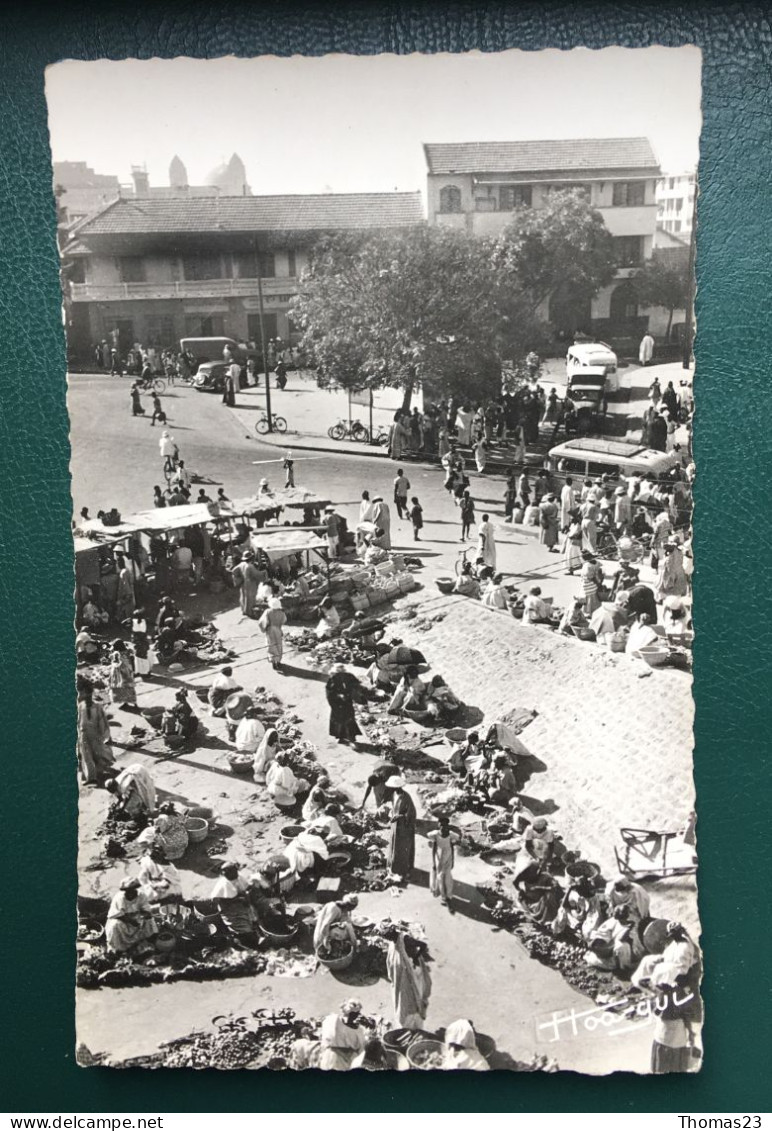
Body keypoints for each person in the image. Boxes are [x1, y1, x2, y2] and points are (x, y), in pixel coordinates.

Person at [385, 929, 432, 1030]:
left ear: (393, 934)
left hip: (413, 973)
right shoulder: (393, 943)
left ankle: (415, 1024)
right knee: (403, 1000)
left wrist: (415, 957)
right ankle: (407, 1024)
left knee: (415, 998)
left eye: (389, 937)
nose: (388, 940)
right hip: (402, 976)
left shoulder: (406, 939)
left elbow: (423, 945)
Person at [105, 879, 158, 955]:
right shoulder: (119, 898)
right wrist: (130, 921)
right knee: (114, 925)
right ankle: (118, 948)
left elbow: (147, 911)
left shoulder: (141, 895)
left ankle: (148, 940)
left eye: (132, 890)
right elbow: (115, 915)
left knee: (149, 920)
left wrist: (142, 916)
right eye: (127, 891)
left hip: (137, 917)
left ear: (135, 889)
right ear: (125, 891)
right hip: (122, 920)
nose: (130, 893)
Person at [77, 685, 114, 784]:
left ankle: (100, 771)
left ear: (91, 695)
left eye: (88, 695)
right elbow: (78, 720)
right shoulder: (81, 706)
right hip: (83, 733)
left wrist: (106, 736)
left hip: (95, 734)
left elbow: (103, 721)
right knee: (86, 755)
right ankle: (91, 777)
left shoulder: (97, 706)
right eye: (85, 695)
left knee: (97, 753)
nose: (87, 697)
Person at [318, 1001, 370, 1071]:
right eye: (352, 1013)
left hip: (351, 1059)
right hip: (335, 1057)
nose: (355, 1016)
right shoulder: (333, 1021)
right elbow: (328, 1039)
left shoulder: (359, 1030)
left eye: (357, 1014)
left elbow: (361, 1048)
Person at [387, 776, 416, 883]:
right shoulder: (394, 795)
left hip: (404, 826)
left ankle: (404, 869)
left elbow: (411, 813)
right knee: (395, 845)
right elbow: (393, 807)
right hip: (395, 825)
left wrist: (400, 816)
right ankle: (394, 866)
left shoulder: (406, 797)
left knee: (403, 847)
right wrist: (391, 813)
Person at [326, 663, 363, 744]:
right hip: (337, 704)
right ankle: (339, 736)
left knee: (349, 719)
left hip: (347, 701)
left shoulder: (349, 676)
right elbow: (330, 692)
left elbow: (356, 684)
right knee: (338, 720)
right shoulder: (332, 679)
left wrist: (355, 691)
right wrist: (338, 696)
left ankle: (352, 738)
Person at [427, 816, 459, 907]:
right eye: (441, 825)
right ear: (438, 825)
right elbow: (433, 849)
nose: (443, 827)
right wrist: (433, 862)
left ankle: (449, 895)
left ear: (447, 826)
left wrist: (453, 861)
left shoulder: (451, 835)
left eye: (445, 825)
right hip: (439, 857)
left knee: (448, 876)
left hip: (448, 857)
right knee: (440, 877)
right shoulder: (435, 835)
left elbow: (452, 848)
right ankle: (443, 897)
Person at [258, 596, 287, 670]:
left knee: (271, 646)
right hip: (278, 630)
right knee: (279, 645)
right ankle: (278, 661)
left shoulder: (268, 612)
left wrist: (264, 628)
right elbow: (284, 620)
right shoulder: (281, 613)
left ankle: (274, 662)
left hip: (270, 631)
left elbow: (261, 622)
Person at [230, 550, 260, 616]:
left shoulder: (241, 564)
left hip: (243, 583)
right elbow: (256, 574)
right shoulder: (250, 566)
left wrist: (239, 579)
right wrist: (264, 573)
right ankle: (249, 612)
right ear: (251, 558)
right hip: (251, 584)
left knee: (243, 596)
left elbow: (233, 571)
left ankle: (243, 610)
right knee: (250, 598)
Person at [108, 640, 137, 709]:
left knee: (123, 688)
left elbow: (117, 663)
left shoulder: (117, 654)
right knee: (129, 687)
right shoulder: (128, 652)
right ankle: (132, 703)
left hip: (122, 673)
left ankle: (128, 702)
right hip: (128, 672)